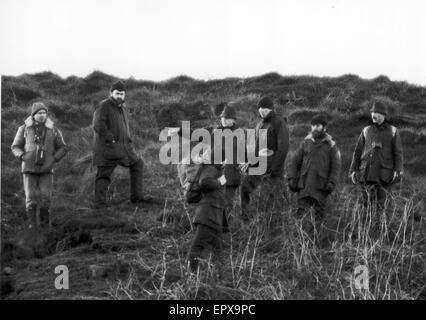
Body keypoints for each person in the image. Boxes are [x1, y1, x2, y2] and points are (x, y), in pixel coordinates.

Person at [92, 81, 152, 209]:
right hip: (108, 148)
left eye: (122, 93)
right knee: (103, 175)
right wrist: (110, 138)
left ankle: (137, 197)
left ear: (125, 95)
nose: (119, 96)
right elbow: (98, 125)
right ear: (111, 93)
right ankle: (99, 205)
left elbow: (124, 127)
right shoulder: (104, 106)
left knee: (137, 164)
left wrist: (128, 140)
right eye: (117, 93)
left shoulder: (123, 108)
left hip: (125, 147)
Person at [11, 102, 68, 230]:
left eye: (44, 113)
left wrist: (53, 159)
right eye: (39, 113)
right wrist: (22, 156)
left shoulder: (53, 129)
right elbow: (15, 147)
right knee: (30, 198)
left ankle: (44, 227)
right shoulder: (24, 128)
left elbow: (63, 148)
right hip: (29, 169)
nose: (42, 115)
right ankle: (32, 227)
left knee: (45, 198)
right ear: (33, 115)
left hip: (47, 170)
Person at [288, 115, 341, 235]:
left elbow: (336, 167)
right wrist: (292, 178)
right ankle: (299, 242)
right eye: (313, 125)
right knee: (300, 216)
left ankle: (315, 243)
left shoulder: (331, 146)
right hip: (304, 186)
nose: (314, 128)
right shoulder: (306, 142)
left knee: (318, 219)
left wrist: (332, 183)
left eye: (317, 125)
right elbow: (295, 161)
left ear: (324, 128)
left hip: (321, 187)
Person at [240, 96, 290, 222]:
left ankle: (272, 224)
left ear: (271, 109)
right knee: (245, 188)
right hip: (259, 167)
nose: (262, 110)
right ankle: (246, 219)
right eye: (260, 108)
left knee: (271, 199)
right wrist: (249, 164)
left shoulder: (279, 122)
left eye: (265, 108)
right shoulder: (259, 125)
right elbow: (257, 149)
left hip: (272, 170)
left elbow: (283, 148)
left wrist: (275, 171)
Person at [349, 98, 403, 213]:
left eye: (377, 113)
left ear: (384, 115)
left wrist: (398, 171)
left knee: (381, 209)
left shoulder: (393, 131)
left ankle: (380, 230)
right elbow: (357, 151)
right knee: (365, 208)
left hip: (384, 177)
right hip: (366, 175)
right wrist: (353, 169)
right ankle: (364, 230)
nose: (373, 114)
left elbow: (398, 154)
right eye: (372, 112)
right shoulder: (366, 130)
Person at [187, 147, 227, 273]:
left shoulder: (214, 169)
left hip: (214, 216)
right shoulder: (211, 169)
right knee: (197, 247)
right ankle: (190, 277)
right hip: (208, 216)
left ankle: (217, 279)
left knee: (218, 250)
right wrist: (220, 182)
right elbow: (204, 182)